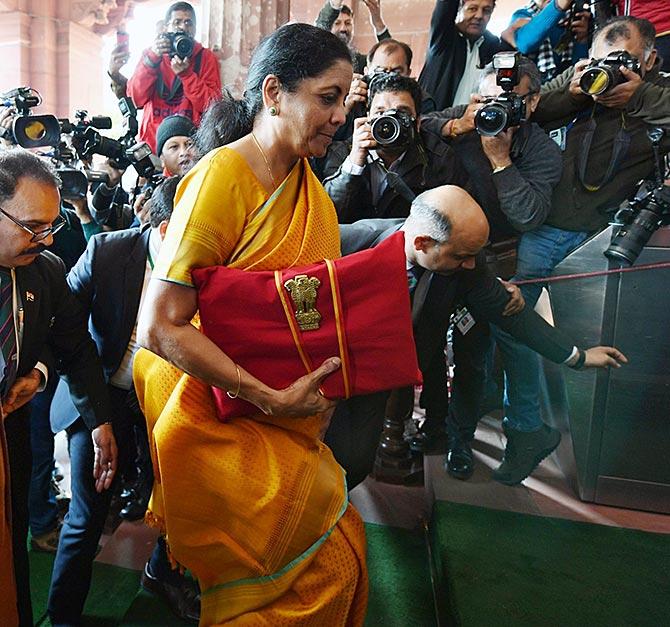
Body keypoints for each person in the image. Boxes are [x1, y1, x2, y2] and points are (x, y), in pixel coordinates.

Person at [134, 23, 368, 624]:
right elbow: (159, 327)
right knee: (326, 560)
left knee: (338, 552)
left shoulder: (307, 187)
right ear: (273, 94)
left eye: (345, 100)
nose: (341, 115)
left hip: (277, 405)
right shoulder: (224, 177)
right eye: (328, 97)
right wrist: (268, 396)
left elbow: (311, 305)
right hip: (210, 410)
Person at [326, 185, 627, 489]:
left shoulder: (465, 265)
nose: (471, 264)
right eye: (462, 256)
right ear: (423, 243)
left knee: (353, 462)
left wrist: (579, 356)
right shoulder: (347, 240)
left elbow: (512, 316)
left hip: (377, 380)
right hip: (328, 366)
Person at [491, 15, 670, 485]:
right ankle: (526, 429)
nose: (609, 71)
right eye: (601, 59)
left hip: (606, 241)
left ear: (650, 58)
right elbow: (527, 107)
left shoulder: (658, 91)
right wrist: (576, 87)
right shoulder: (580, 84)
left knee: (607, 348)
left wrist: (642, 95)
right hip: (548, 228)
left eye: (624, 61)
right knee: (511, 320)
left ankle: (612, 462)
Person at [48, 176, 199, 623]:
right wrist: (98, 420)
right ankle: (62, 616)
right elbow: (66, 325)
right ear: (170, 226)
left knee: (179, 497)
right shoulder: (110, 250)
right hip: (102, 391)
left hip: (167, 399)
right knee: (88, 513)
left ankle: (162, 572)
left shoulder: (208, 265)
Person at [0, 149, 116, 626]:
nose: (43, 239)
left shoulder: (43, 270)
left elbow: (73, 345)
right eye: (31, 226)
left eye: (51, 225)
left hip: (10, 439)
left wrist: (100, 420)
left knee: (11, 554)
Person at [322, 73, 468, 222]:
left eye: (401, 113)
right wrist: (354, 164)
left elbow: (456, 219)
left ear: (417, 123)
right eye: (380, 113)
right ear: (368, 117)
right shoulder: (343, 152)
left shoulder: (439, 158)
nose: (388, 121)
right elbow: (328, 216)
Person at [127, 2, 222, 152]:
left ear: (195, 29)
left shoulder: (205, 57)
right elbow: (135, 99)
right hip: (153, 147)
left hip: (190, 149)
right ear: (166, 28)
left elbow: (212, 107)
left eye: (188, 23)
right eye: (176, 22)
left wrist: (187, 76)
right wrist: (152, 58)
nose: (183, 27)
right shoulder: (151, 55)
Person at [419, 0, 505, 110]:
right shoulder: (444, 37)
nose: (479, 15)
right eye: (472, 9)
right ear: (460, 7)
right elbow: (445, 7)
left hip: (475, 123)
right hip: (436, 123)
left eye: (486, 10)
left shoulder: (492, 45)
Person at [503, 0, 591, 83]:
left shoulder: (576, 16)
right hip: (537, 90)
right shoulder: (522, 15)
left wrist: (582, 40)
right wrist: (558, 6)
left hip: (568, 85)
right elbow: (525, 44)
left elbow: (580, 66)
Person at [316, 0, 391, 73]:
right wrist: (335, 3)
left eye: (348, 23)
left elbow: (390, 57)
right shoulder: (318, 55)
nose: (343, 28)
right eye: (337, 23)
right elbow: (319, 31)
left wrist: (378, 22)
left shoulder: (358, 62)